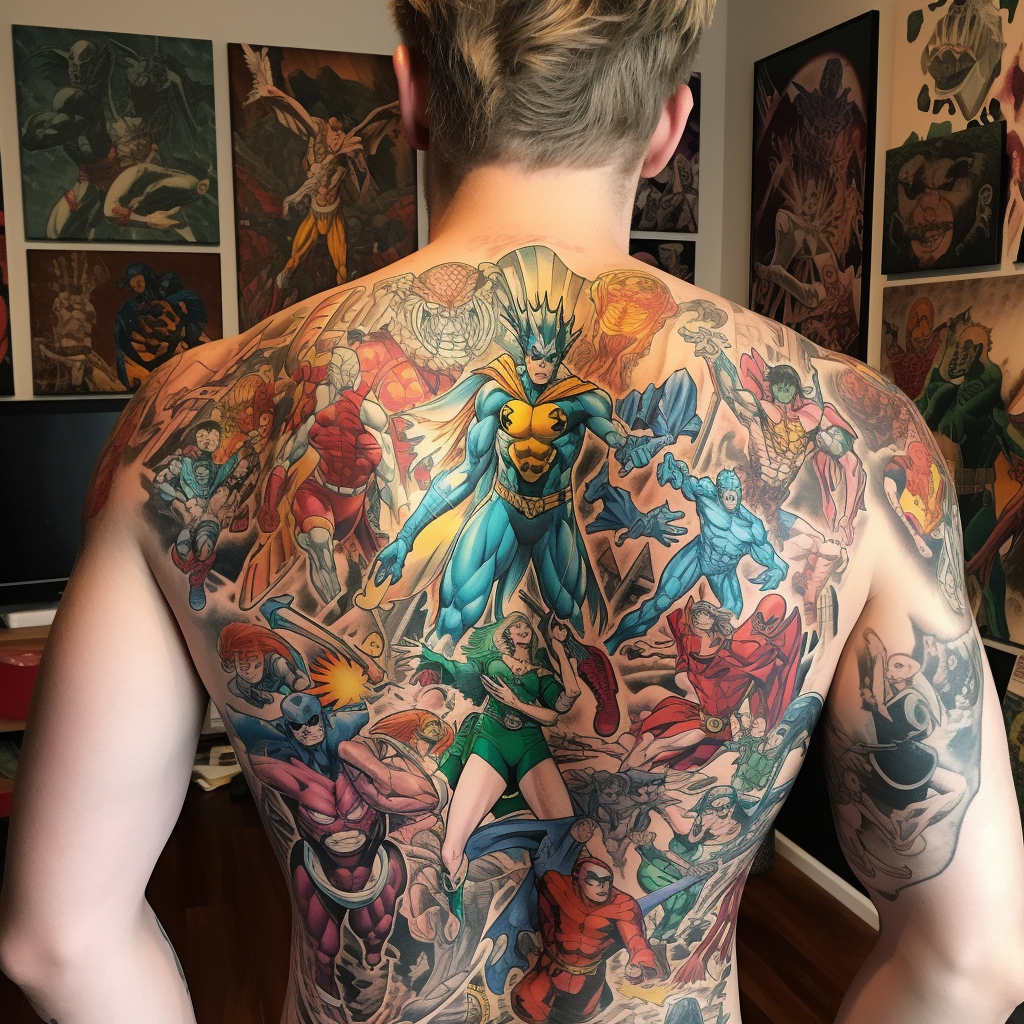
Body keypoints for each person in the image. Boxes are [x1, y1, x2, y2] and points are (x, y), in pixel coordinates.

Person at [2, 5, 1023, 1024]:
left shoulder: (194, 416)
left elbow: (57, 939)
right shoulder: (860, 434)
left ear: (412, 94)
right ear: (669, 127)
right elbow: (972, 961)